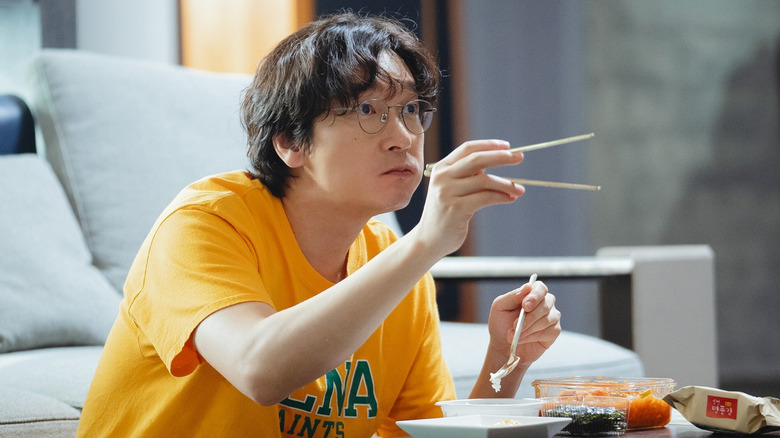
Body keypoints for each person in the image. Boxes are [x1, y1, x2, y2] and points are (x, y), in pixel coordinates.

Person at [76, 11, 561, 438]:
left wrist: (506, 358)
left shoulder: (392, 262)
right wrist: (425, 244)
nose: (403, 137)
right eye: (368, 110)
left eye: (411, 109)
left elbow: (426, 435)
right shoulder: (205, 221)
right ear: (291, 143)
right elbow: (258, 369)